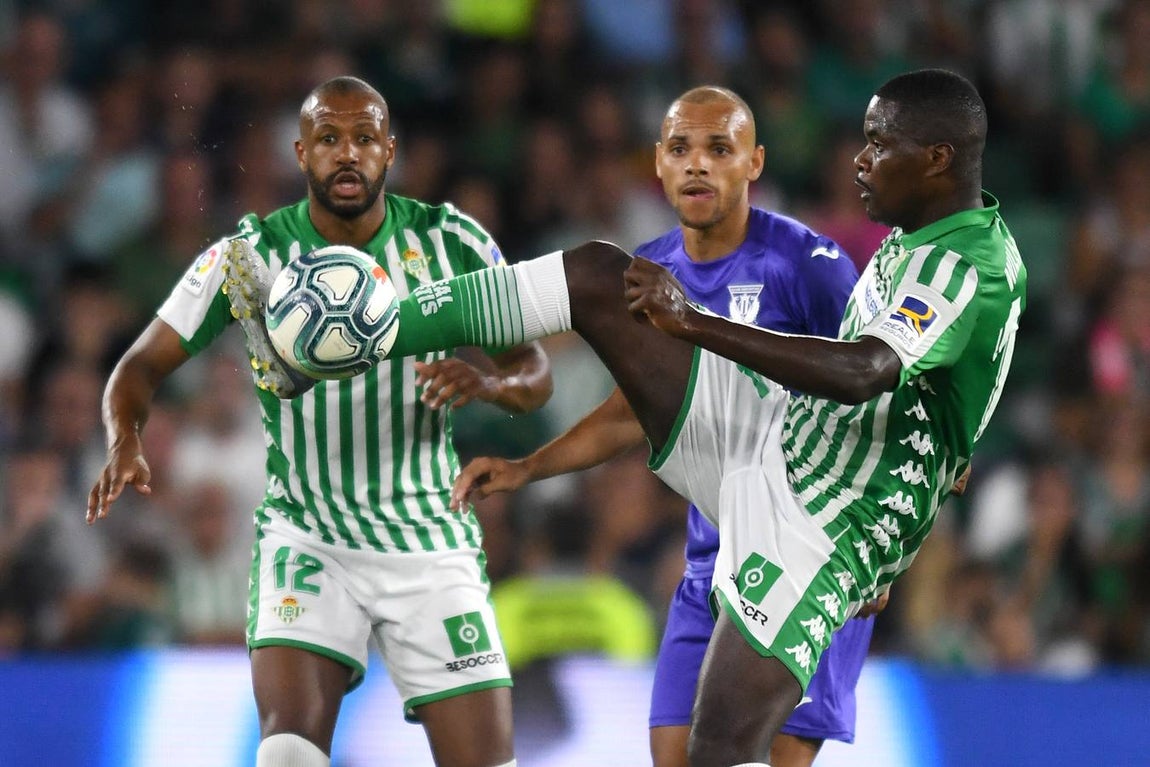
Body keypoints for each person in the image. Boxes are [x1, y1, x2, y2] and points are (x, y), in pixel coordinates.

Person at [335, 67, 1025, 765]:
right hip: (770, 442)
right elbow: (941, 389)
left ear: (937, 158)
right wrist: (530, 467)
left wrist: (692, 322)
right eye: (679, 148)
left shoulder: (947, 264)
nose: (859, 159)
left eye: (878, 143)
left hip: (824, 525)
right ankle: (374, 327)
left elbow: (864, 370)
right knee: (599, 275)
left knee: (720, 750)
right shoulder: (915, 239)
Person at [87, 76, 552, 767]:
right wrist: (124, 438)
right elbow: (138, 365)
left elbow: (535, 371)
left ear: (390, 150)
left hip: (428, 538)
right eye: (329, 138)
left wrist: (491, 384)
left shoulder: (448, 240)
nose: (348, 153)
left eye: (364, 138)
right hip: (308, 537)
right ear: (302, 152)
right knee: (287, 754)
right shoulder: (249, 258)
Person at [450, 86, 873, 767]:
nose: (697, 164)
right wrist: (528, 468)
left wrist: (879, 555)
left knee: (775, 757)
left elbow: (875, 399)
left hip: (810, 559)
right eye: (681, 149)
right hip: (711, 559)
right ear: (658, 163)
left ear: (755, 163)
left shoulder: (808, 267)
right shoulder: (650, 270)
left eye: (719, 148)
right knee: (673, 753)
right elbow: (631, 411)